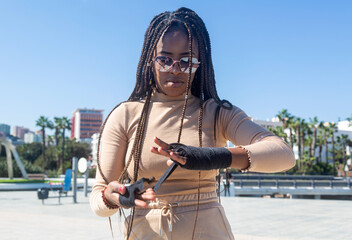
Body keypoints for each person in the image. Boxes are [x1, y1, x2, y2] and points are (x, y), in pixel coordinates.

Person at [90, 7, 295, 240]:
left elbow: (284, 155)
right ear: (150, 59)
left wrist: (207, 157)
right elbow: (98, 197)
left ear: (200, 64)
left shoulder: (216, 113)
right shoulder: (125, 115)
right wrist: (111, 195)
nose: (175, 69)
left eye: (187, 61)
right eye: (165, 60)